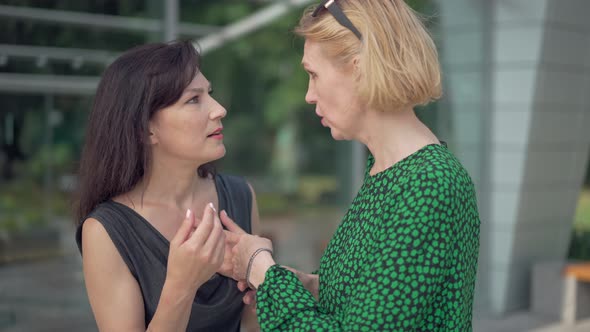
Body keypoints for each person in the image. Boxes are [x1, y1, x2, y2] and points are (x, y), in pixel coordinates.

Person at [221, 0, 481, 331]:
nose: (308, 95)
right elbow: (376, 302)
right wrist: (304, 288)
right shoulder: (389, 172)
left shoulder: (428, 184)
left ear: (359, 69)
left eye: (313, 75)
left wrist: (261, 269)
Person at [74, 40, 261, 331]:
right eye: (193, 100)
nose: (219, 109)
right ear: (146, 129)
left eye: (209, 94)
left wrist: (265, 275)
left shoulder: (241, 197)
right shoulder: (105, 231)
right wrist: (181, 285)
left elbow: (252, 325)